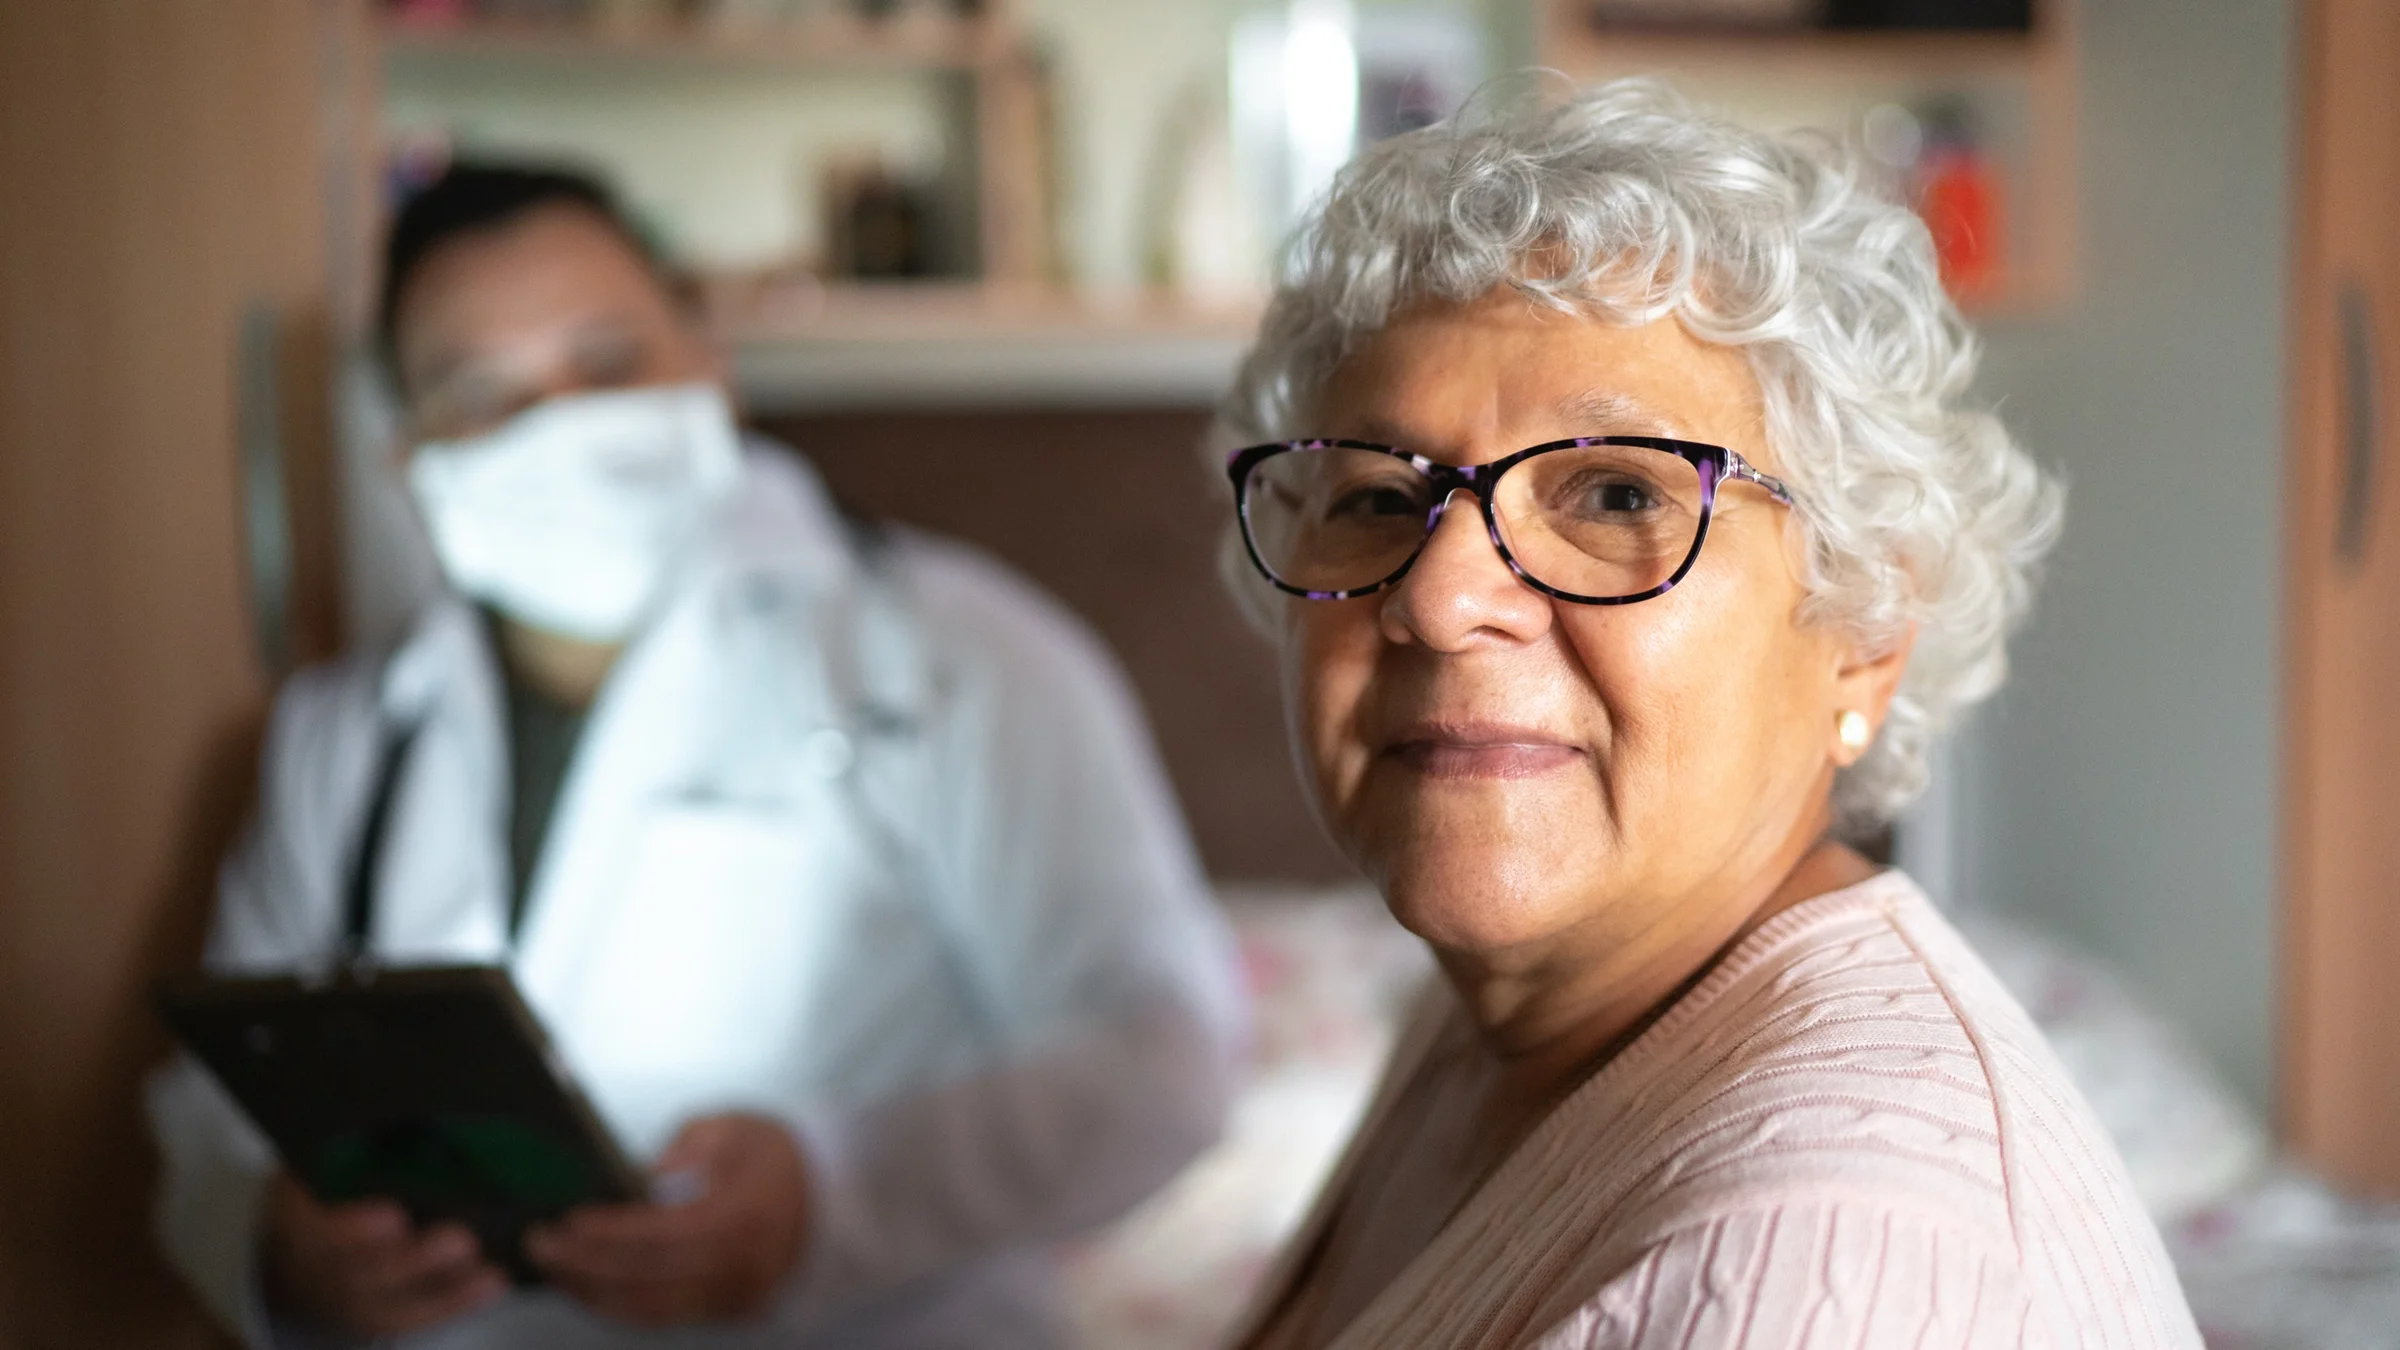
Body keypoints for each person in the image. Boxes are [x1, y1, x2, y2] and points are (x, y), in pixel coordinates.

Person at [146, 162, 1243, 1350]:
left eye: (607, 365)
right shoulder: (343, 740)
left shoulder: (958, 656)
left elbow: (1164, 1059)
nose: (559, 427)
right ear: (411, 461)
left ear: (708, 364)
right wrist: (279, 1247)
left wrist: (832, 1196)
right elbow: (216, 1113)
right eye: (484, 396)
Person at [1209, 82, 2202, 1348]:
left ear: (1864, 636)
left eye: (1617, 495)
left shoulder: (1831, 1266)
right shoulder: (1497, 1011)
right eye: (1375, 498)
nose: (1441, 597)